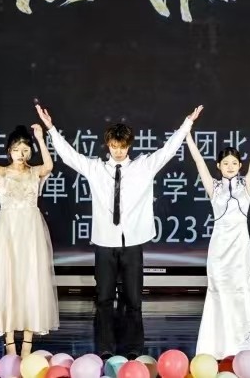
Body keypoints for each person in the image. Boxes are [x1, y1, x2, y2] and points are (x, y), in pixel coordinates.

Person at [41, 102, 202, 358]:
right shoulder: (95, 168)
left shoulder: (143, 166)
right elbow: (69, 155)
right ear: (108, 145)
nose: (118, 151)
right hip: (105, 243)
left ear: (129, 146)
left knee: (134, 301)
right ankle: (105, 349)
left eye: (122, 146)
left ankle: (134, 350)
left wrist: (187, 123)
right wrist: (50, 129)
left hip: (132, 243)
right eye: (114, 146)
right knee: (104, 300)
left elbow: (168, 149)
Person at [185, 103, 250, 359]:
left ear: (240, 165)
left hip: (240, 246)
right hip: (219, 247)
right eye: (225, 163)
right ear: (219, 166)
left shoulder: (246, 186)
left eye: (234, 163)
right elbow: (198, 160)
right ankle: (216, 347)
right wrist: (188, 130)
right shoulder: (214, 187)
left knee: (241, 289)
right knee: (218, 290)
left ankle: (248, 347)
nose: (230, 166)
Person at [0, 123, 57, 356]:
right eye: (16, 149)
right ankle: (9, 342)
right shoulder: (2, 172)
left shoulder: (35, 172)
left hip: (31, 233)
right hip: (9, 233)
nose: (21, 154)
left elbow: (49, 165)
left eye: (25, 150)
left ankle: (27, 342)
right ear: (9, 151)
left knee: (30, 281)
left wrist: (40, 138)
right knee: (8, 280)